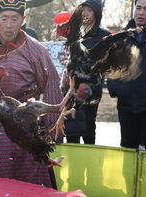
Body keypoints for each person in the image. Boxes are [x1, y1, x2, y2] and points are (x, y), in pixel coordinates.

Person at [0, 0, 63, 188]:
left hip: (27, 126)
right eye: (4, 18)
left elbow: (51, 87)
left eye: (14, 19)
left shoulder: (36, 49)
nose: (9, 25)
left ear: (23, 20)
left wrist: (52, 129)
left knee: (31, 182)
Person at [107, 0, 146, 151]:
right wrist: (116, 88)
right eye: (138, 8)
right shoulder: (122, 37)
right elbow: (111, 66)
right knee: (127, 153)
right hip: (127, 107)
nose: (140, 12)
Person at [64, 0, 111, 144]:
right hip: (71, 88)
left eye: (89, 10)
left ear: (97, 13)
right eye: (83, 10)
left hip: (91, 89)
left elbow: (107, 63)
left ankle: (91, 161)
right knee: (71, 127)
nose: (85, 14)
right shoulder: (74, 33)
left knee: (88, 127)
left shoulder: (104, 36)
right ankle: (73, 160)